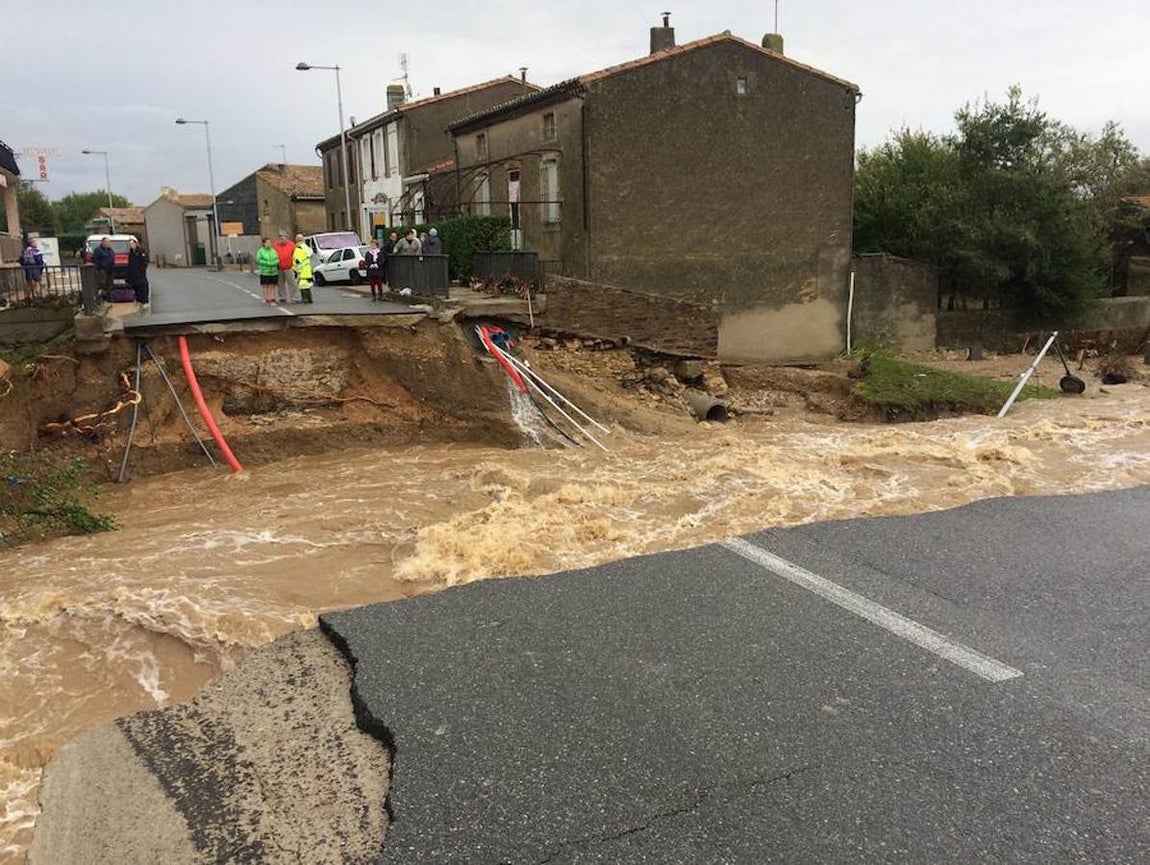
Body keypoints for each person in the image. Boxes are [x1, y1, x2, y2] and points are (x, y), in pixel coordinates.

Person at [272, 230, 297, 303]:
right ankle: (282, 297)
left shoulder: (291, 244)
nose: (282, 239)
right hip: (279, 267)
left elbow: (294, 254)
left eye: (283, 237)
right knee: (280, 283)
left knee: (291, 283)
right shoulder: (275, 245)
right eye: (280, 238)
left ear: (286, 237)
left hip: (289, 267)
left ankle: (294, 297)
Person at [126, 238, 150, 309]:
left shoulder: (141, 251)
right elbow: (130, 263)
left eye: (132, 244)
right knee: (135, 286)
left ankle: (145, 301)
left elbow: (144, 261)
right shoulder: (131, 253)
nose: (131, 245)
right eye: (130, 244)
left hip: (140, 272)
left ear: (136, 244)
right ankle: (138, 300)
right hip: (133, 273)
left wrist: (141, 270)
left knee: (143, 286)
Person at [255, 237, 280, 304]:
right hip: (265, 271)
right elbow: (258, 260)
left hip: (274, 271)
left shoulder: (273, 251)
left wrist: (275, 262)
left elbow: (277, 259)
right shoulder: (261, 251)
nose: (269, 244)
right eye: (267, 242)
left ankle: (272, 297)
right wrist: (268, 263)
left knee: (272, 285)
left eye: (270, 242)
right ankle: (267, 298)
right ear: (264, 243)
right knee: (265, 285)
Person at [293, 233, 314, 303]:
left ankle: (305, 299)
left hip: (302, 269)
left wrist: (295, 268)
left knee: (302, 284)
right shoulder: (306, 247)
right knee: (307, 284)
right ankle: (309, 298)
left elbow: (297, 260)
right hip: (307, 268)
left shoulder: (299, 248)